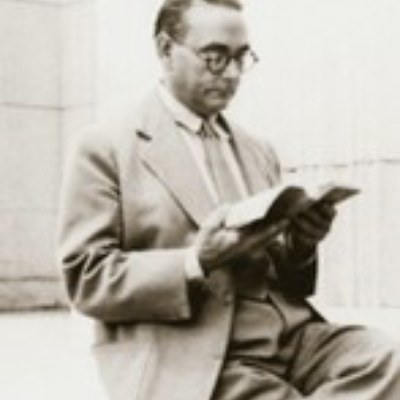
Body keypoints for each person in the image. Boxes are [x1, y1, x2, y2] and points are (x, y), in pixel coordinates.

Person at [57, 0, 400, 399]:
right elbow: (86, 279)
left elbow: (284, 277)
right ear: (166, 49)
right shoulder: (106, 147)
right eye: (215, 58)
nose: (233, 74)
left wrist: (302, 246)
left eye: (241, 58)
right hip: (194, 350)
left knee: (387, 359)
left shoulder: (258, 149)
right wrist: (195, 261)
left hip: (290, 337)